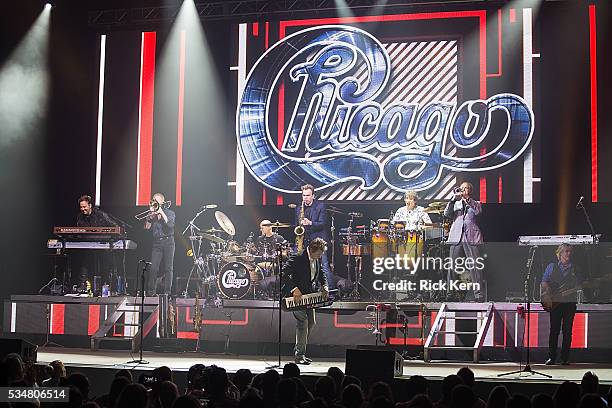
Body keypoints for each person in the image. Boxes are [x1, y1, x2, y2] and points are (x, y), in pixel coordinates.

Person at [283, 238, 329, 365]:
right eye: (319, 254)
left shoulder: (316, 258)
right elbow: (283, 274)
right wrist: (294, 288)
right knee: (303, 322)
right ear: (312, 250)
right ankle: (299, 355)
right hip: (296, 297)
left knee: (312, 322)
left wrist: (325, 286)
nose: (320, 256)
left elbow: (321, 274)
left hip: (309, 296)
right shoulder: (298, 257)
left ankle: (300, 351)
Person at [541, 243, 583, 365]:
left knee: (567, 330)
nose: (569, 254)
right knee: (554, 330)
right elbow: (544, 281)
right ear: (559, 253)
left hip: (569, 303)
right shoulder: (551, 266)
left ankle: (565, 358)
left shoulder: (575, 269)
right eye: (566, 251)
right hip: (555, 303)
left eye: (570, 251)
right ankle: (551, 357)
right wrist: (548, 291)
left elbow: (580, 284)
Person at [444, 182, 484, 301]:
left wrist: (467, 199)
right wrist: (452, 200)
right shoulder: (455, 203)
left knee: (475, 267)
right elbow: (447, 214)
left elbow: (478, 211)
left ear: (470, 191)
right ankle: (450, 294)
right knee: (452, 266)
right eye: (461, 188)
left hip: (471, 236)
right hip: (456, 236)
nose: (462, 190)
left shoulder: (476, 203)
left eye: (465, 188)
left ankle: (478, 295)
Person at [294, 184, 334, 289]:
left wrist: (310, 223)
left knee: (324, 266)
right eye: (303, 195)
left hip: (318, 241)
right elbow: (297, 225)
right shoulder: (299, 209)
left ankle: (331, 291)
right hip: (305, 240)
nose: (305, 198)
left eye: (308, 195)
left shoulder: (320, 206)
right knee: (302, 266)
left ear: (313, 196)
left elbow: (323, 223)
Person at [144, 193, 175, 295]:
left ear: (162, 202)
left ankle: (167, 292)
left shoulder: (170, 213)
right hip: (157, 243)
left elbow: (170, 224)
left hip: (168, 242)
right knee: (153, 268)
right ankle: (151, 291)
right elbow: (146, 227)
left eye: (156, 201)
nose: (155, 202)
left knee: (168, 268)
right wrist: (149, 216)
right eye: (153, 200)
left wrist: (161, 212)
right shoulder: (152, 215)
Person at [256, 219, 286, 297]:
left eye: (262, 228)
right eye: (260, 228)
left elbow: (285, 253)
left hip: (275, 263)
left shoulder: (279, 238)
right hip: (261, 263)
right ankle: (260, 290)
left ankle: (272, 290)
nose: (261, 230)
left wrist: (280, 253)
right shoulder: (259, 239)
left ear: (269, 227)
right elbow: (256, 252)